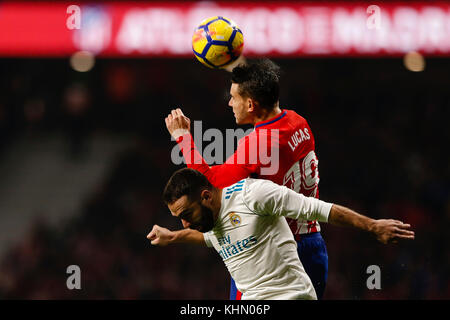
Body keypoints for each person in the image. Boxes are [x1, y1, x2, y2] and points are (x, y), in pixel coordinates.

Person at [165, 59, 328, 299]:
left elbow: (209, 182)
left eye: (234, 97)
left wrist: (183, 137)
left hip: (271, 255)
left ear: (251, 104)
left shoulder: (258, 144)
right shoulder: (297, 122)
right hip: (313, 245)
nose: (230, 102)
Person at [147, 168, 415, 300]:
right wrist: (173, 237)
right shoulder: (208, 222)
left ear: (206, 196)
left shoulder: (252, 195)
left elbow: (318, 209)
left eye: (186, 214)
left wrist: (372, 226)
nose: (184, 223)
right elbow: (209, 238)